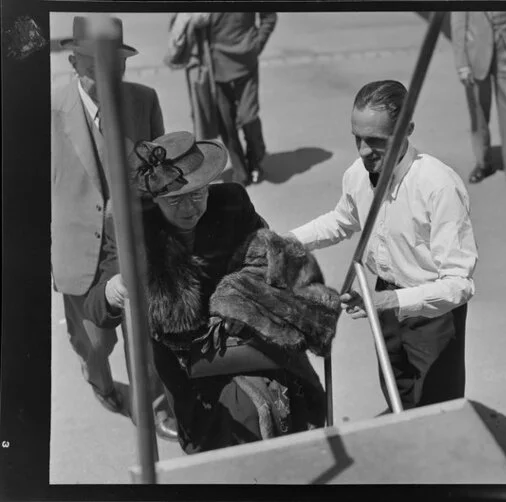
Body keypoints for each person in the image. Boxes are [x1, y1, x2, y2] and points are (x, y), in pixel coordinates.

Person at [84, 132, 329, 453]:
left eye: (198, 194)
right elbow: (93, 308)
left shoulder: (231, 204)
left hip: (252, 342)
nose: (189, 208)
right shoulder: (134, 231)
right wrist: (113, 290)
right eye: (174, 199)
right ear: (154, 198)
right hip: (189, 365)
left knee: (294, 417)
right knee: (226, 437)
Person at [287, 80, 479, 411]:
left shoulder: (439, 186)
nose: (363, 151)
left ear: (407, 130)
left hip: (433, 315)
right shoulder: (357, 175)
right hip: (384, 304)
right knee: (397, 395)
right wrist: (286, 241)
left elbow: (458, 284)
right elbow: (342, 220)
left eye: (375, 141)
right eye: (357, 139)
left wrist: (390, 300)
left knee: (437, 410)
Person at [51, 15, 176, 440]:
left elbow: (161, 177)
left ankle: (155, 410)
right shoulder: (47, 107)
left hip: (135, 247)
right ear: (74, 62)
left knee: (145, 341)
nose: (106, 76)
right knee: (96, 343)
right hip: (78, 253)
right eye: (93, 67)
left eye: (115, 67)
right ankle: (99, 380)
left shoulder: (144, 100)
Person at [183, 12, 278, 186]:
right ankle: (240, 171)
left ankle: (256, 159)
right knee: (226, 123)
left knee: (248, 117)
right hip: (215, 66)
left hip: (246, 63)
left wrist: (256, 44)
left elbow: (269, 16)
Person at [451, 11, 506, 185]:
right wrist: (462, 63)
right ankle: (483, 163)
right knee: (478, 112)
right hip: (476, 52)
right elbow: (458, 22)